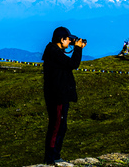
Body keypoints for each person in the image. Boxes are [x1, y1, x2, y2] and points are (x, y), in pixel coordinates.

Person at [42, 26, 86, 164]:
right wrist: (78, 48)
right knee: (57, 126)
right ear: (61, 40)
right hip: (57, 97)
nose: (70, 42)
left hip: (58, 95)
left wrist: (75, 45)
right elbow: (73, 64)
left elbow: (67, 64)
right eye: (68, 39)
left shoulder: (53, 51)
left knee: (60, 126)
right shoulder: (54, 53)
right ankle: (51, 158)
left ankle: (55, 156)